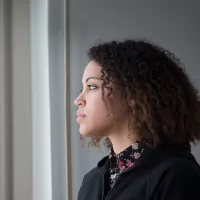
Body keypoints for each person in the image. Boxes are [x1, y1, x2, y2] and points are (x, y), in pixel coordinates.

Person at [74, 39, 200, 200]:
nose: (78, 100)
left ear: (133, 95)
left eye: (92, 86)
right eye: (82, 88)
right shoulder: (92, 181)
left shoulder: (176, 175)